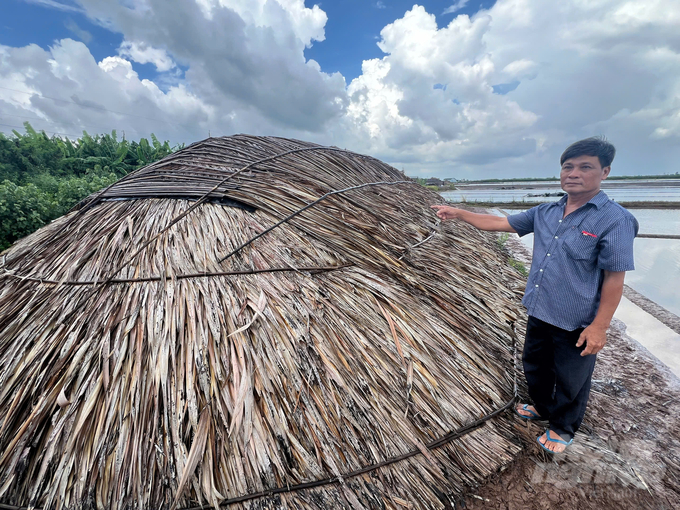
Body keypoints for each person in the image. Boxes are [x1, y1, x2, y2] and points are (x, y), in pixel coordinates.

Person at [432, 137, 638, 453]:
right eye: (568, 167)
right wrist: (460, 213)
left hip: (577, 319)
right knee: (536, 366)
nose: (574, 173)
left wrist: (599, 327)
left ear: (604, 172)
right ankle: (542, 408)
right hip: (540, 309)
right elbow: (501, 223)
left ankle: (563, 427)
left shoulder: (615, 219)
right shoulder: (546, 211)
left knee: (572, 378)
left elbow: (614, 278)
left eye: (585, 167)